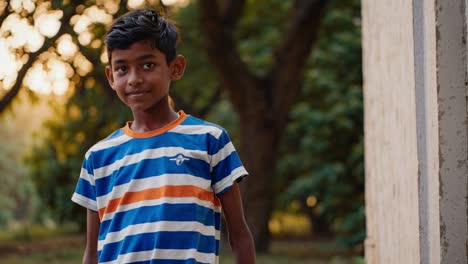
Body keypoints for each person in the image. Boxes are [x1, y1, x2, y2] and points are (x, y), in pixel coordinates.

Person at [71, 9, 256, 264]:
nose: (134, 79)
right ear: (111, 77)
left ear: (175, 67)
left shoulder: (209, 140)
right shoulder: (98, 157)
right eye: (122, 68)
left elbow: (240, 236)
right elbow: (92, 252)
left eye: (148, 65)